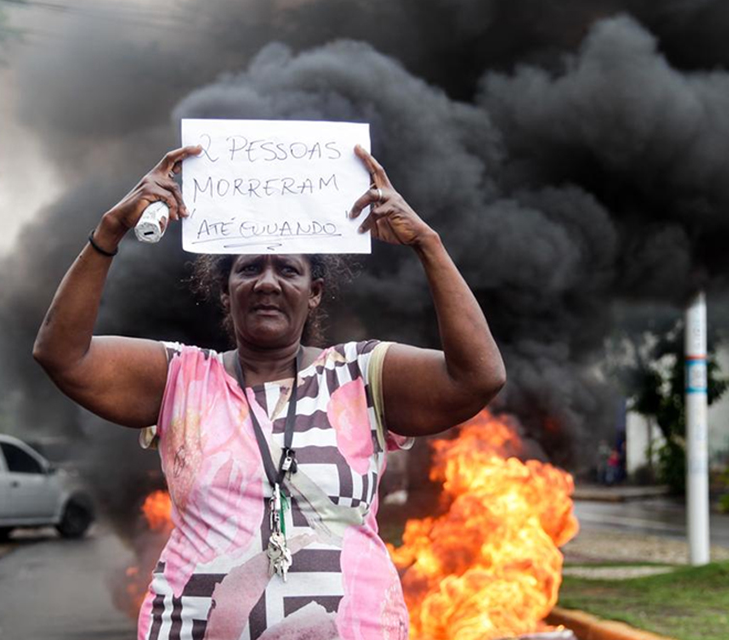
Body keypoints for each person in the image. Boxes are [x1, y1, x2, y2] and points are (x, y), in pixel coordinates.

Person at [32, 143, 506, 640]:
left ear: (314, 291)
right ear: (225, 289)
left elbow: (478, 377)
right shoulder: (180, 377)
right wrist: (111, 230)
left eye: (288, 269)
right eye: (249, 267)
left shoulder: (361, 374)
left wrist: (427, 243)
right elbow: (62, 354)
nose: (267, 282)